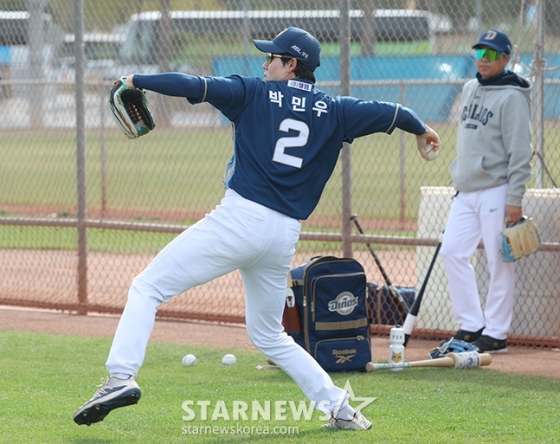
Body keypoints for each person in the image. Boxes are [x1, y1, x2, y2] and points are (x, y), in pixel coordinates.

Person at [73, 26, 441, 430]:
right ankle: (340, 408)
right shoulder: (336, 110)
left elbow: (191, 85)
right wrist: (422, 130)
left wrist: (134, 79)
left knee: (147, 287)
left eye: (272, 58)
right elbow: (393, 112)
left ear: (291, 64)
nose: (265, 64)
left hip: (241, 220)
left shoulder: (251, 92)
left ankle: (120, 377)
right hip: (283, 235)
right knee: (268, 335)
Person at [439, 29, 533, 353]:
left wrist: (515, 199)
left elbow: (520, 152)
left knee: (499, 261)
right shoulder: (469, 87)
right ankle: (471, 324)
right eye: (480, 53)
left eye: (491, 54)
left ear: (506, 59)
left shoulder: (512, 97)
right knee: (452, 251)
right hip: (466, 190)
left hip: (497, 188)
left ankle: (496, 333)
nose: (483, 59)